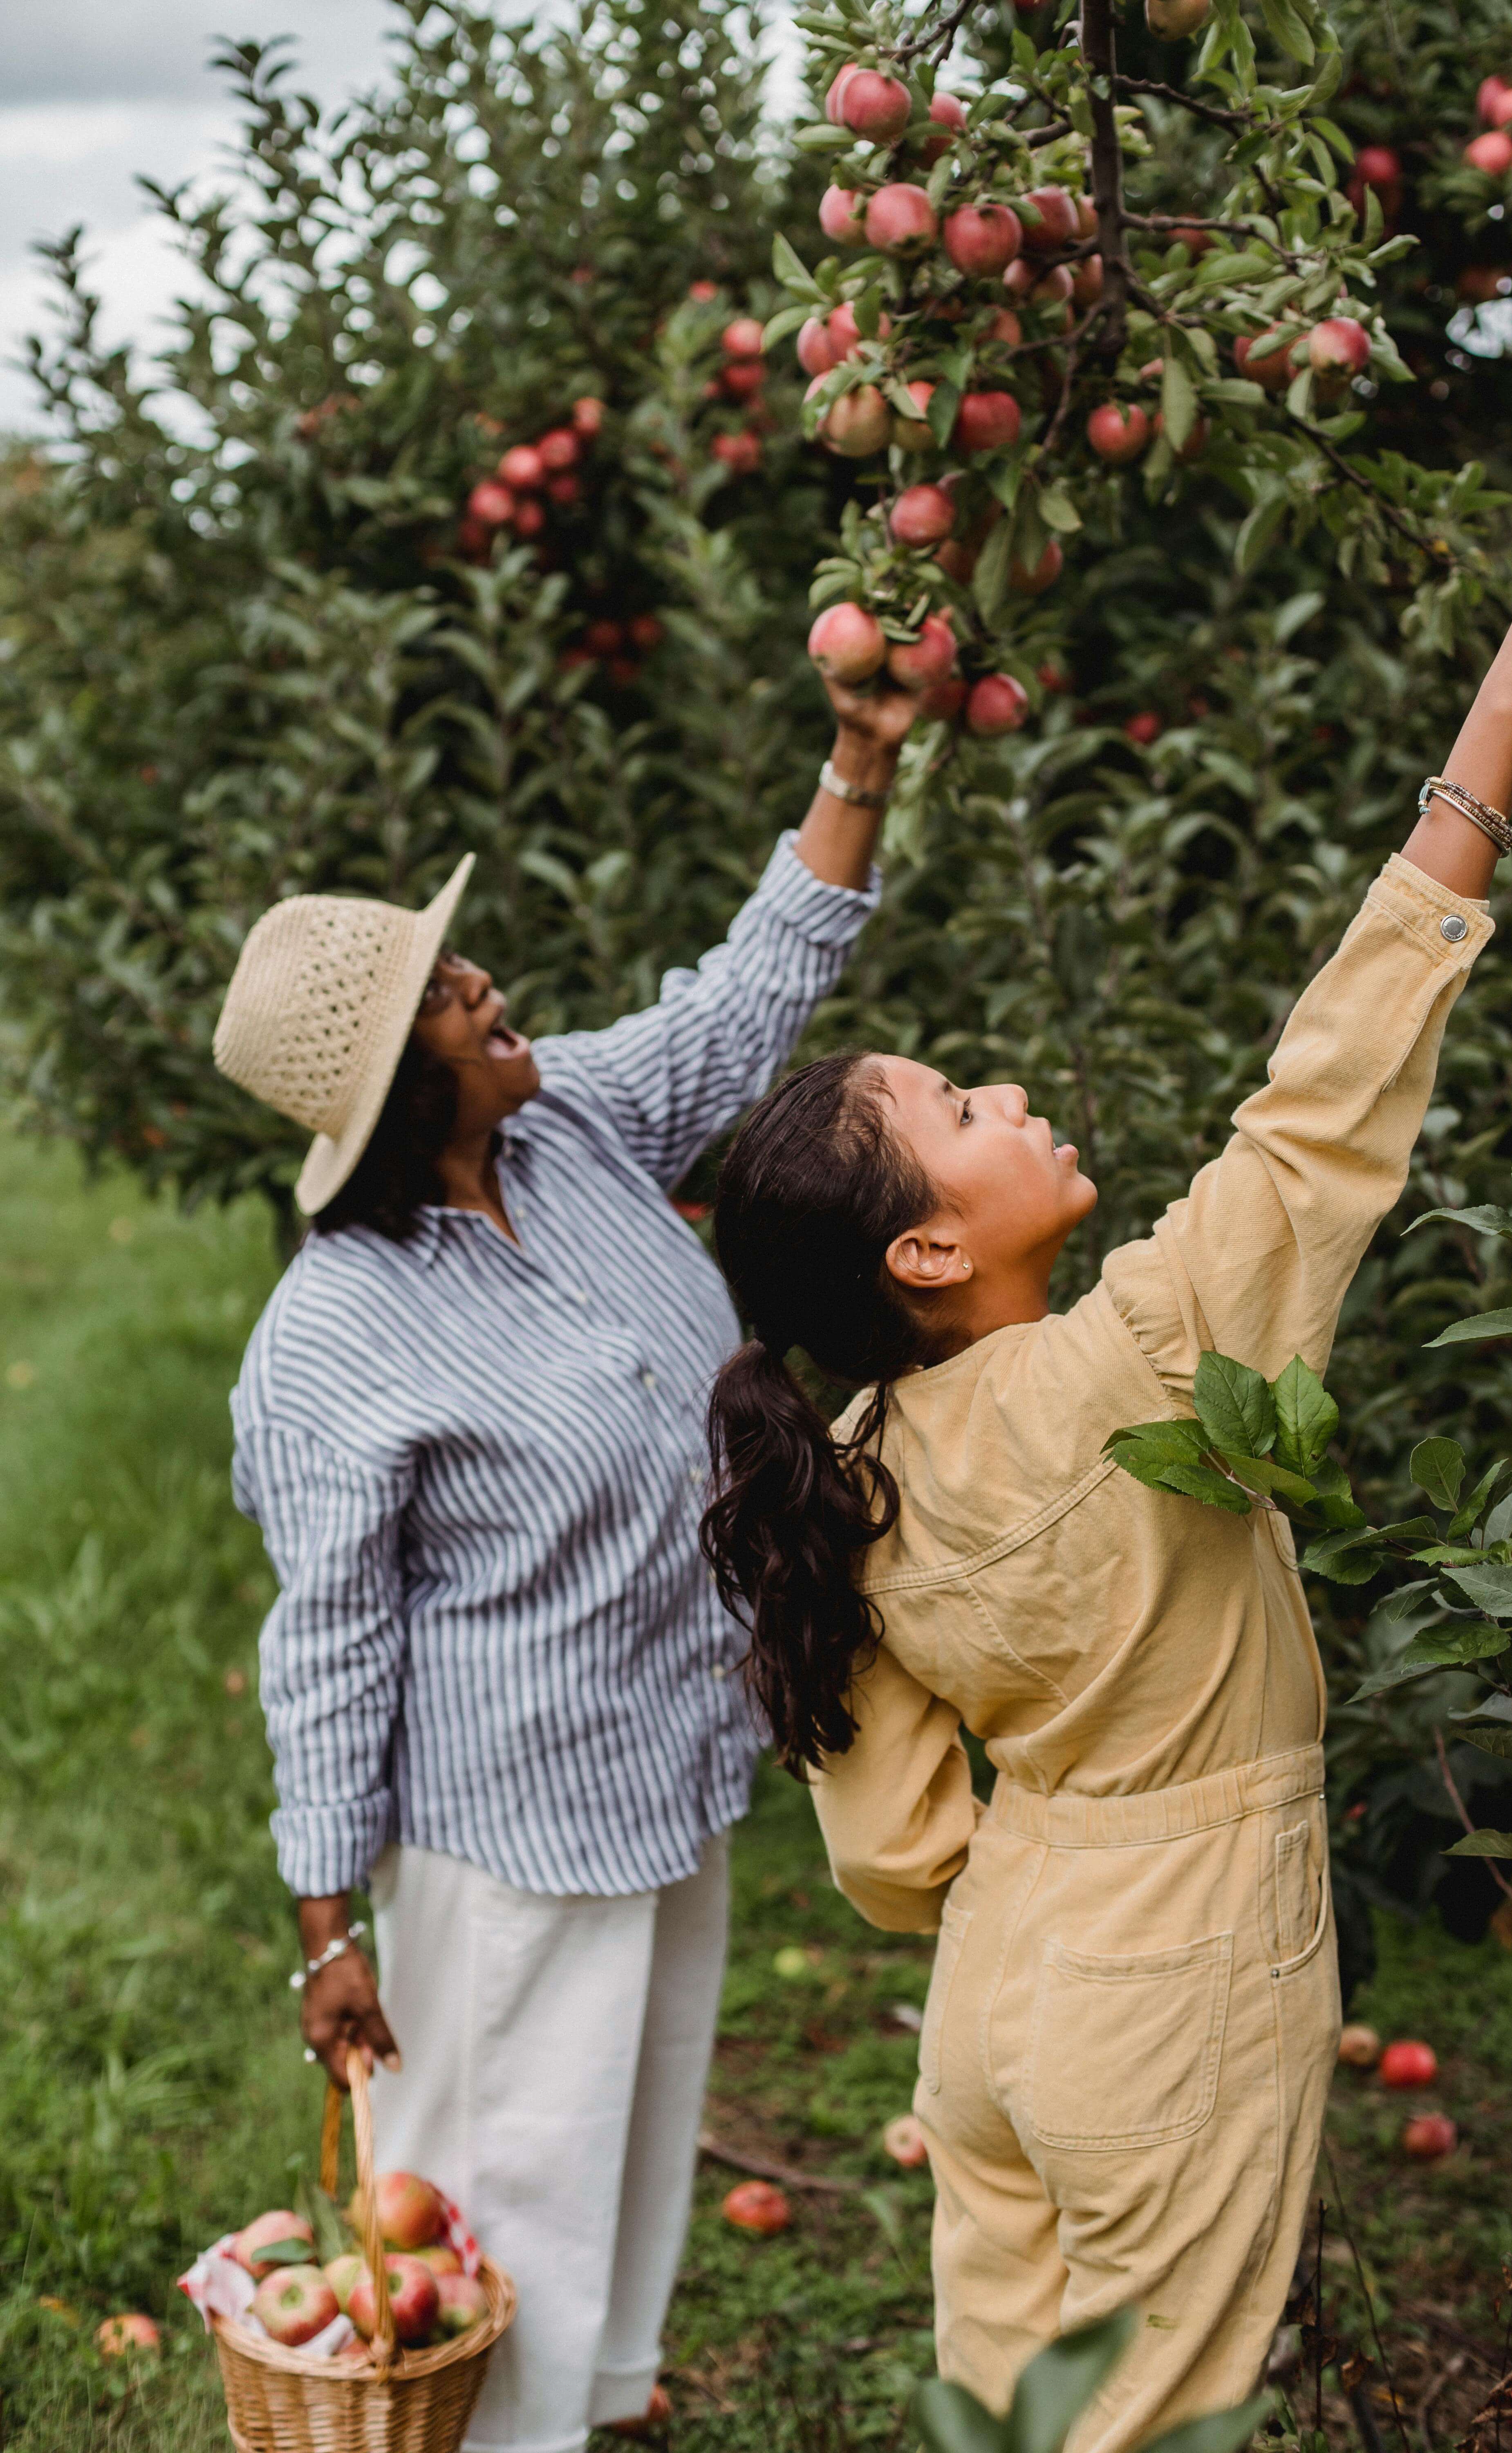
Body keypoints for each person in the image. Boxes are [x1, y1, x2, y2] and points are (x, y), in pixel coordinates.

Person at [699, 428, 1512, 2449]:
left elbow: (887, 1849)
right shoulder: (1143, 1360)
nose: (1011, 1086)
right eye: (960, 1102)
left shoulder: (842, 1462)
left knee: (1008, 2417)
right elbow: (1330, 1096)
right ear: (934, 1243)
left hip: (1002, 2004)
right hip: (1175, 1977)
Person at [214, 666, 918, 2451]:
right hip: (509, 1817)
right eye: (444, 996)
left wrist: (859, 756)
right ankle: (476, 2429)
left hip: (668, 1761)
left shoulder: (571, 1125)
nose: (483, 984)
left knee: (632, 2124)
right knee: (497, 2175)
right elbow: (330, 1638)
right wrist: (326, 1920)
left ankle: (581, 2415)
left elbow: (746, 996)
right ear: (387, 1091)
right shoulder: (334, 1334)